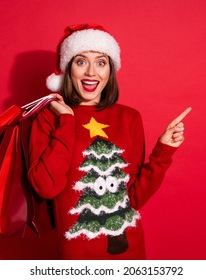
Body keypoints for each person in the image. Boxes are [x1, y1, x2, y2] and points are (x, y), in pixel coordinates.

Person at [27, 24, 191, 260]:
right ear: (67, 68)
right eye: (81, 61)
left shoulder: (129, 118)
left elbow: (133, 199)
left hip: (128, 253)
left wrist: (164, 151)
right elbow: (46, 187)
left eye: (101, 62)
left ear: (110, 70)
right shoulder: (48, 117)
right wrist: (65, 121)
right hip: (77, 255)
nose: (91, 72)